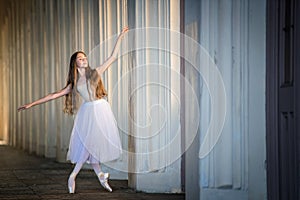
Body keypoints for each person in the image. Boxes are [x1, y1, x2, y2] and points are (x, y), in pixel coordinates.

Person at [18, 26, 129, 193]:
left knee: (89, 146)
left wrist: (120, 36)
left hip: (100, 110)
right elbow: (53, 95)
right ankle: (97, 176)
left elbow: (113, 57)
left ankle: (77, 176)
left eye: (85, 58)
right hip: (88, 112)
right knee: (89, 146)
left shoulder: (95, 73)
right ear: (74, 62)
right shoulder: (74, 83)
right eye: (80, 58)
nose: (84, 60)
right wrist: (31, 104)